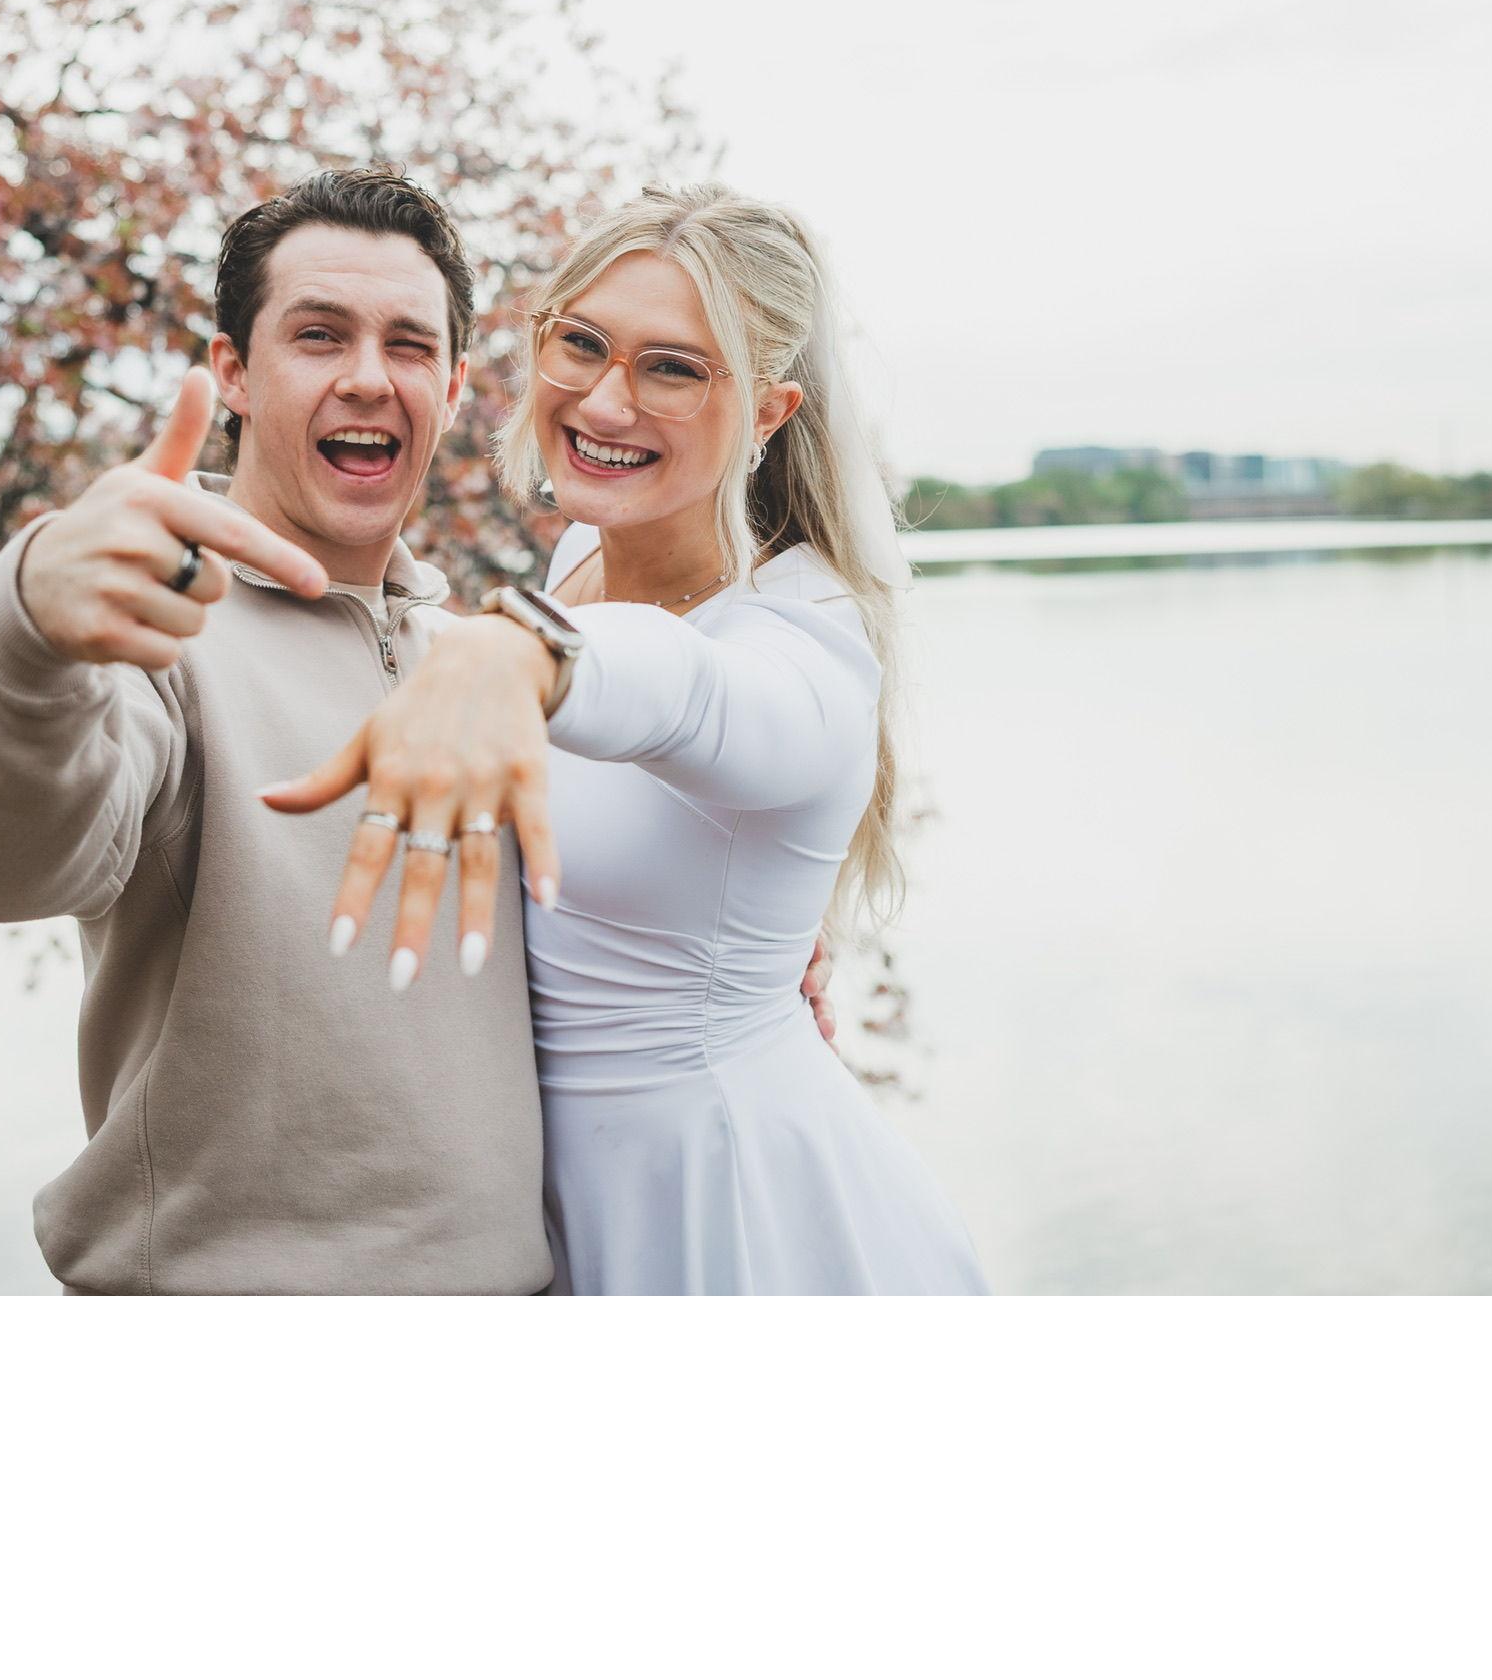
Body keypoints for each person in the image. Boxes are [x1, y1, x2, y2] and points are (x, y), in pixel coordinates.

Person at [265, 183, 990, 1294]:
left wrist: (523, 651)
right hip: (531, 1192)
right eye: (583, 344)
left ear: (769, 412)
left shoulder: (808, 642)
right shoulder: (578, 559)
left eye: (674, 369)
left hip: (719, 1202)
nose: (607, 402)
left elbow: (688, 694)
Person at [0, 167, 558, 1294]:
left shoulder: (476, 661)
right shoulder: (158, 638)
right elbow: (7, 868)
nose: (369, 378)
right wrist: (21, 630)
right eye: (319, 335)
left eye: (409, 346)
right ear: (234, 373)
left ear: (453, 389)